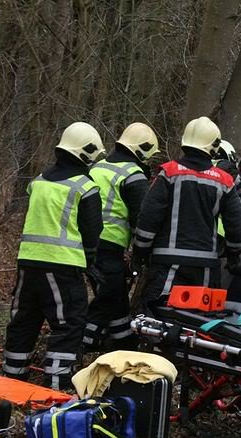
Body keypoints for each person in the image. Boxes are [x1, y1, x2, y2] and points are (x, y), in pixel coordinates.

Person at [3, 122, 105, 390]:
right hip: (63, 267)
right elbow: (92, 232)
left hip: (28, 263)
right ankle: (56, 386)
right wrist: (91, 262)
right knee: (69, 324)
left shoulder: (37, 182)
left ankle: (11, 381)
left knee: (24, 320)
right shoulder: (85, 187)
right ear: (87, 153)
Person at [133, 117, 241, 311]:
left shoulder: (168, 173)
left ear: (185, 141)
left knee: (158, 318)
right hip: (206, 268)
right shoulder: (225, 181)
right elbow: (236, 224)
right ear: (214, 147)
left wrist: (140, 251)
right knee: (198, 323)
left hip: (167, 264)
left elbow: (148, 217)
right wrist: (233, 255)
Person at [82, 122, 159, 352]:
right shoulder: (133, 175)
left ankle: (123, 342)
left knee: (116, 300)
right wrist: (142, 253)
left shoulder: (97, 167)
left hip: (83, 245)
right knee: (107, 299)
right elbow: (141, 221)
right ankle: (81, 344)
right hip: (109, 247)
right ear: (142, 150)